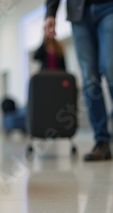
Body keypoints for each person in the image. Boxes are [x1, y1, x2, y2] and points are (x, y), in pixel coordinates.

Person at [45, 0, 113, 161]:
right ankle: (101, 140)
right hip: (79, 12)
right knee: (89, 77)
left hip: (109, 7)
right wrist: (50, 12)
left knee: (110, 67)